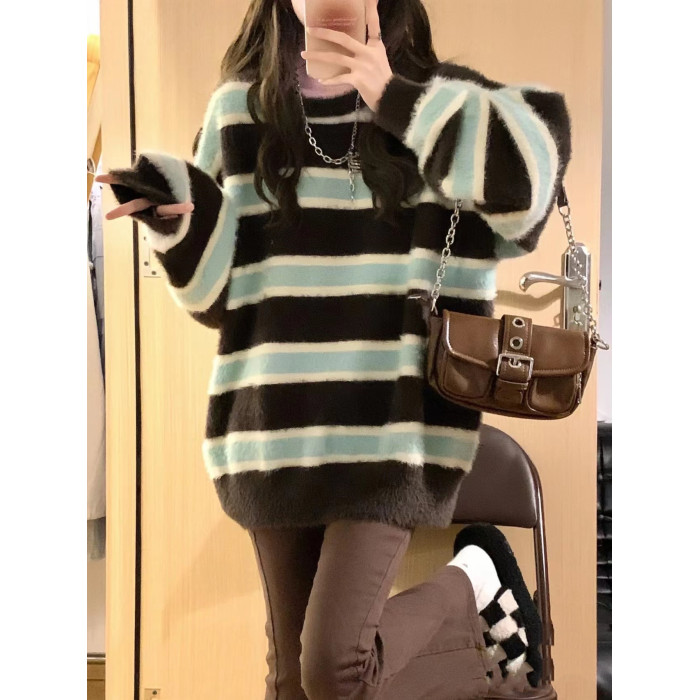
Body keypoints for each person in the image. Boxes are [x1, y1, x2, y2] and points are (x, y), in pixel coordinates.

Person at [98, 0, 571, 697]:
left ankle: (470, 581)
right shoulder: (240, 113)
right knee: (294, 679)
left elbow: (532, 184)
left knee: (333, 668)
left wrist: (395, 98)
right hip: (271, 427)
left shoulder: (441, 100)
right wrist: (177, 223)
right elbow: (220, 299)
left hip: (396, 431)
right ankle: (484, 645)